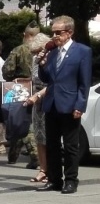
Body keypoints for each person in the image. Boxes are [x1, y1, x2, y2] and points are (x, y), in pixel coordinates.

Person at [36, 15, 91, 194]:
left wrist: (80, 105)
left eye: (58, 33)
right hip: (51, 103)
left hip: (69, 104)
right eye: (52, 33)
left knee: (70, 146)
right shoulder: (52, 53)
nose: (55, 36)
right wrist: (42, 63)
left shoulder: (82, 51)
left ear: (69, 32)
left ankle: (71, 180)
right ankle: (54, 180)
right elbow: (46, 79)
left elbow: (84, 82)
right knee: (51, 144)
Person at [2, 22, 40, 165]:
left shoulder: (19, 50)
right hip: (39, 89)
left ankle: (34, 155)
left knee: (19, 120)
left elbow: (7, 71)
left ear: (25, 35)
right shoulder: (43, 49)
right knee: (32, 121)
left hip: (20, 87)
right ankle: (14, 155)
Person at [23, 33, 52, 184]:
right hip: (37, 102)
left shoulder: (53, 58)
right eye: (34, 51)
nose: (36, 53)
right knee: (39, 136)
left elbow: (53, 84)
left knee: (50, 137)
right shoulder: (36, 59)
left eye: (38, 50)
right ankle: (43, 169)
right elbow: (34, 79)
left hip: (49, 100)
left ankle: (51, 170)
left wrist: (37, 96)